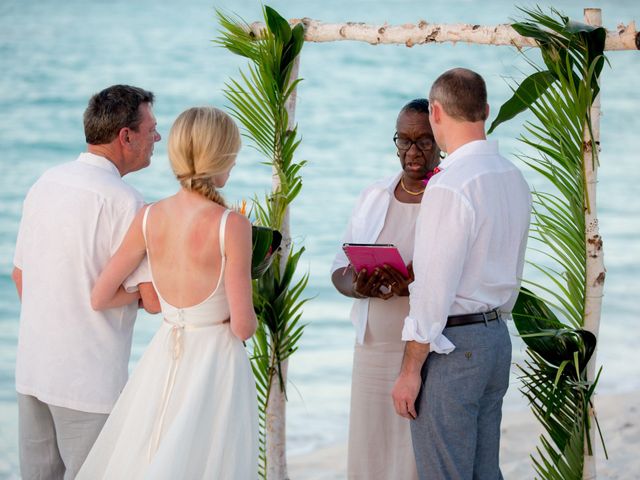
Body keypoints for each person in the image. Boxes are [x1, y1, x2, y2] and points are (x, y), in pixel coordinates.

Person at [76, 106, 258, 479]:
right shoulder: (232, 224)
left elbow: (102, 296)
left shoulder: (148, 216)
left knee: (152, 453)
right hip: (214, 363)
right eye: (233, 155)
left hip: (164, 356)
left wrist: (159, 303)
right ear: (220, 157)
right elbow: (243, 327)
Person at [11, 84, 161, 479]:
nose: (157, 138)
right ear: (125, 136)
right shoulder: (127, 202)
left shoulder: (47, 182)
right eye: (151, 129)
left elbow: (19, 274)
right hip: (89, 381)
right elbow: (150, 297)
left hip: (33, 368)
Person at [391, 68, 532, 479]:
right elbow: (516, 268)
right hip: (495, 339)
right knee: (484, 471)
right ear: (485, 111)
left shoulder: (450, 185)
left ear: (435, 112)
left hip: (455, 345)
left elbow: (433, 289)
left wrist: (409, 371)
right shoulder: (512, 176)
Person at [331, 99, 441, 480]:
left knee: (413, 457)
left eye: (424, 141)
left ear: (441, 141)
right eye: (404, 141)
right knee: (369, 452)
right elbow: (338, 269)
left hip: (424, 349)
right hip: (372, 347)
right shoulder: (374, 195)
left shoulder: (448, 198)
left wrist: (414, 282)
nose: (412, 152)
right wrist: (358, 286)